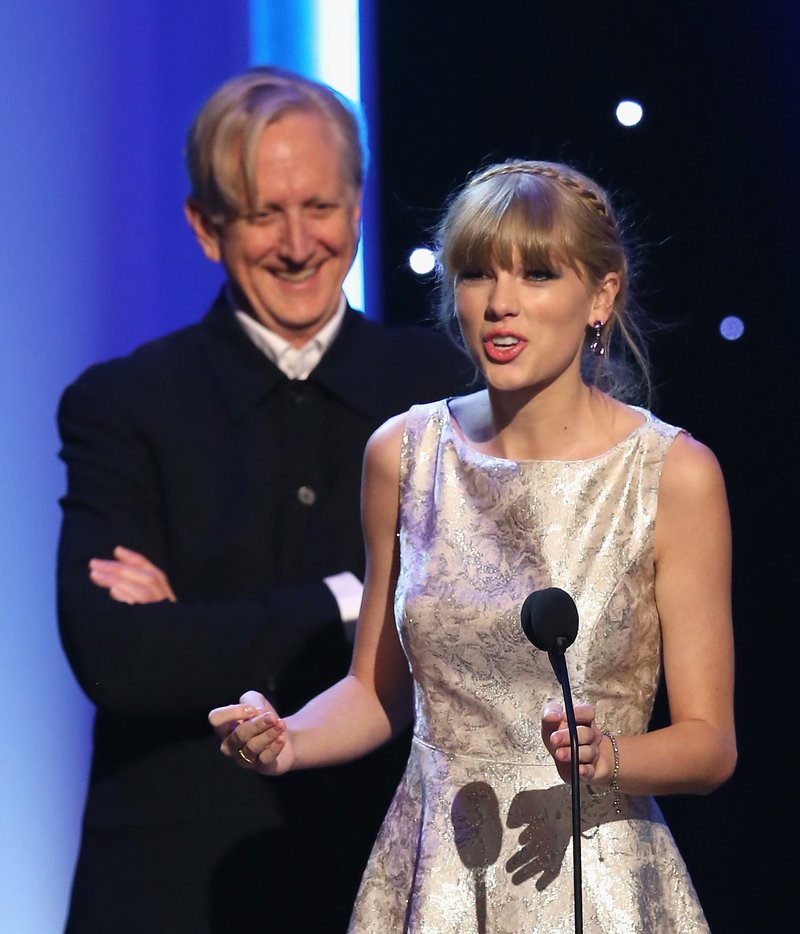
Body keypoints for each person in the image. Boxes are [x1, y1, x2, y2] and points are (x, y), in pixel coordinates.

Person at [210, 159, 737, 932]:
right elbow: (377, 692)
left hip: (595, 875)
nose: (500, 304)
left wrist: (612, 758)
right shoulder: (404, 454)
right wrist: (290, 739)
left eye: (537, 274)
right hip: (439, 875)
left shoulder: (673, 474)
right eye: (476, 274)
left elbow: (710, 743)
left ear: (601, 294)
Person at [56, 66, 475, 934]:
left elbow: (480, 628)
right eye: (262, 214)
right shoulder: (123, 404)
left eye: (319, 207)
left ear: (357, 209)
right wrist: (355, 600)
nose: (297, 244)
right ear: (206, 230)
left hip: (396, 870)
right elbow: (119, 658)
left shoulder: (445, 393)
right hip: (177, 885)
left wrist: (201, 623)